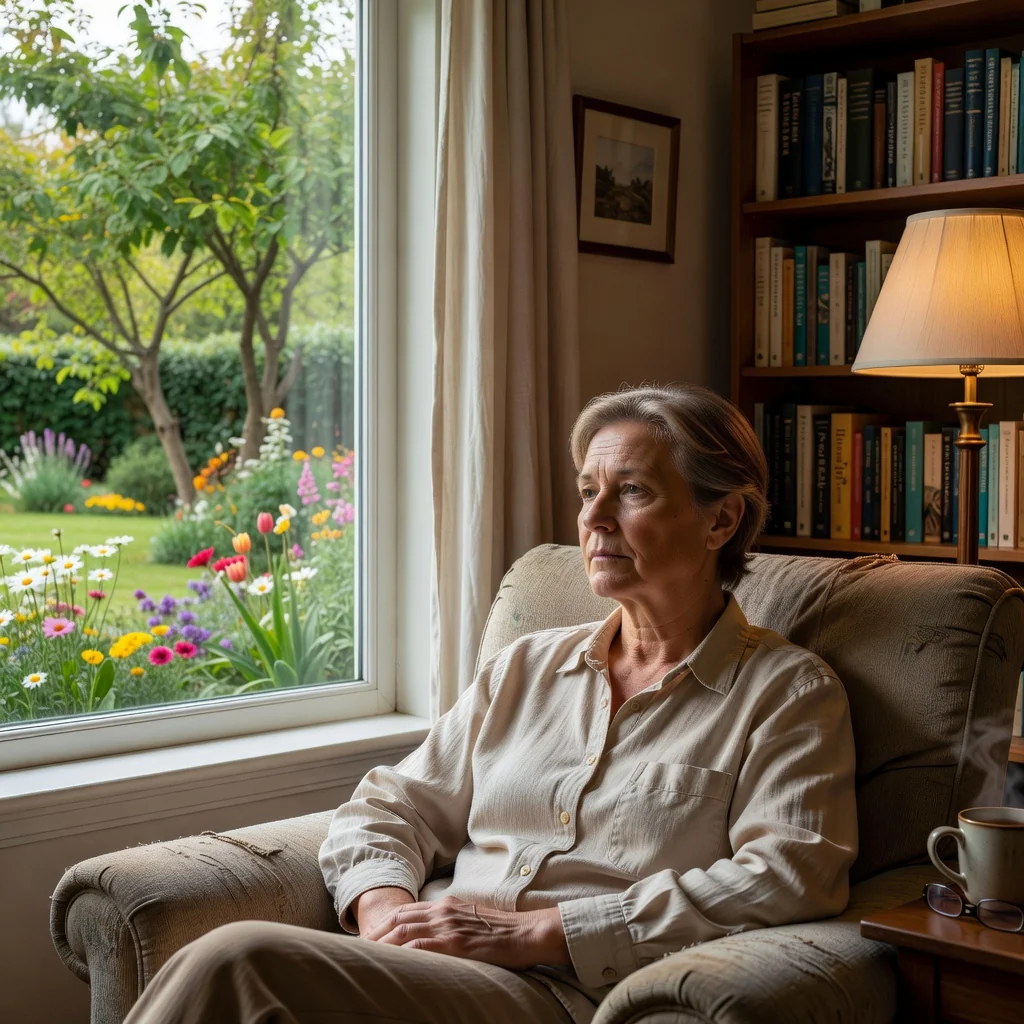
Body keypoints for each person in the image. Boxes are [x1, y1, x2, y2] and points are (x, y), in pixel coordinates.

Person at [124, 383, 858, 1024]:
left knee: (239, 959)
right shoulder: (527, 667)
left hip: (557, 990)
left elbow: (791, 872)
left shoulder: (787, 694)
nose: (594, 517)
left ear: (720, 521)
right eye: (586, 490)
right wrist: (383, 912)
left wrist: (547, 931)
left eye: (631, 491)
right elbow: (390, 808)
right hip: (427, 962)